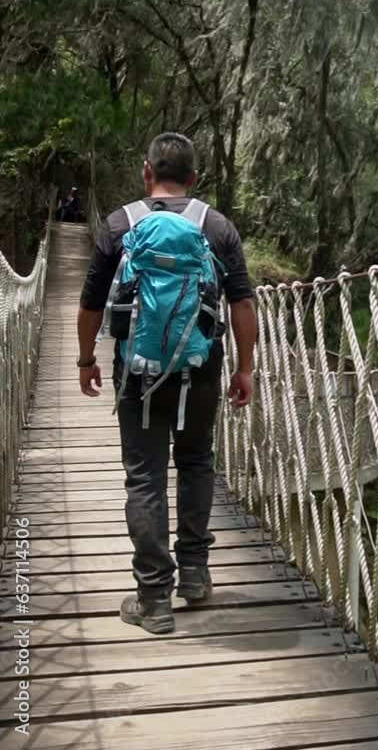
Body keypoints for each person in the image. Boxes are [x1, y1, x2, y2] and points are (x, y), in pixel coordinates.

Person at [76, 133, 257, 634]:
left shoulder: (120, 224)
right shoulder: (216, 226)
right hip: (201, 367)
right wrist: (245, 368)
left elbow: (91, 304)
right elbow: (241, 302)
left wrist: (86, 360)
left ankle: (153, 599)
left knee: (146, 475)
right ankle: (196, 577)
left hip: (138, 370)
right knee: (197, 461)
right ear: (194, 179)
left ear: (146, 171)